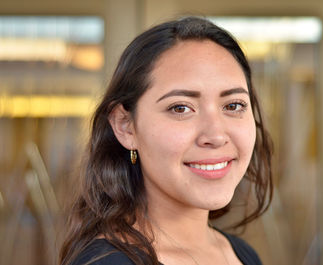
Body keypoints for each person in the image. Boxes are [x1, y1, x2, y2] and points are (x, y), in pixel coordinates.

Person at [59, 16, 273, 265]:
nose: (215, 136)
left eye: (233, 105)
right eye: (181, 108)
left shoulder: (241, 254)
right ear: (126, 126)